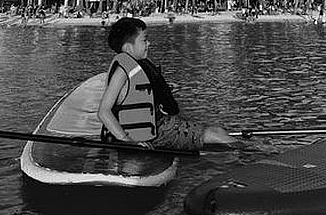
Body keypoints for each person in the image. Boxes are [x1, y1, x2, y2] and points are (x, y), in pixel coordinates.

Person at [98, 17, 235, 150]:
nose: (149, 44)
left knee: (217, 130)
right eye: (144, 40)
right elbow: (104, 112)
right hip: (155, 134)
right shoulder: (122, 72)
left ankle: (241, 148)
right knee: (214, 135)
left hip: (161, 126)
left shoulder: (137, 65)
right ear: (128, 48)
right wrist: (126, 141)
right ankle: (248, 153)